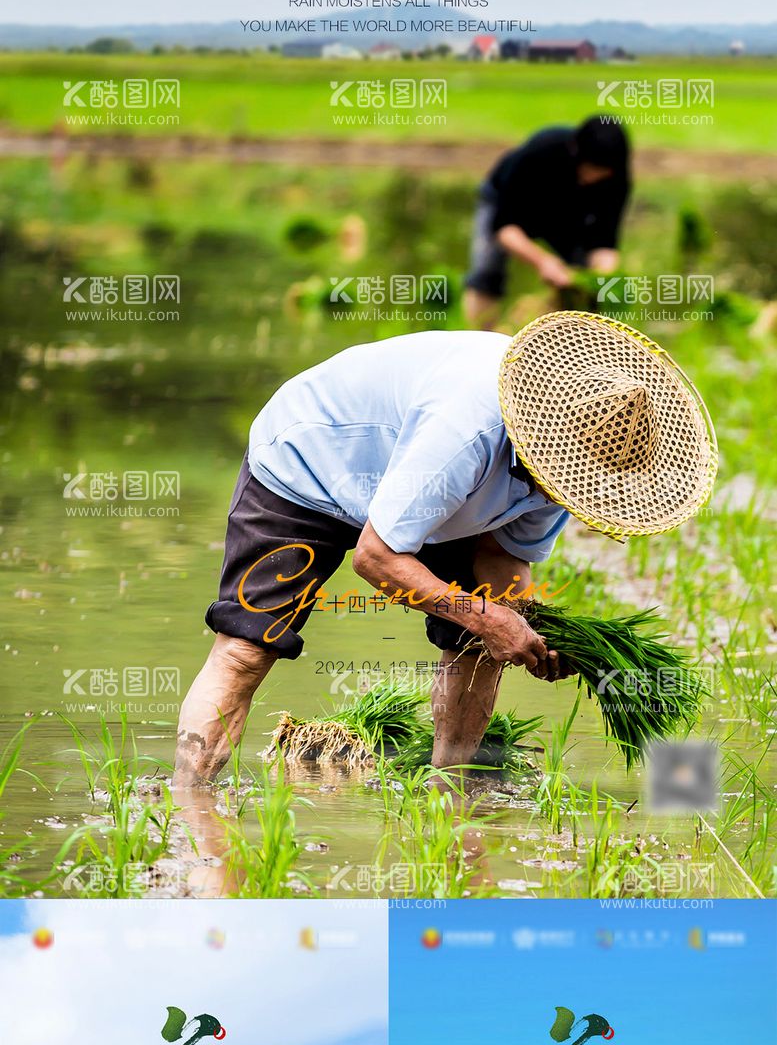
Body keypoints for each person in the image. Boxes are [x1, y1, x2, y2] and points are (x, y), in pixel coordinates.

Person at [175, 311, 717, 784]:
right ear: (539, 431)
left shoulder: (575, 466)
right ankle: (189, 811)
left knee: (478, 646)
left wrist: (524, 629)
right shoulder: (467, 428)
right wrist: (484, 617)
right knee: (248, 650)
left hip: (430, 497)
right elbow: (376, 556)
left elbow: (504, 563)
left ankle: (451, 799)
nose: (564, 491)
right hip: (310, 463)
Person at [464, 117, 631, 324]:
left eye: (603, 173)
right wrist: (543, 261)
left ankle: (563, 344)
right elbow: (504, 228)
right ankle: (481, 339)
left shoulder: (616, 177)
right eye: (592, 169)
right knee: (486, 273)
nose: (595, 178)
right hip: (509, 205)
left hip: (566, 213)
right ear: (577, 155)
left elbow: (604, 241)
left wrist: (601, 280)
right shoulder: (541, 152)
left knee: (579, 283)